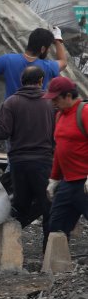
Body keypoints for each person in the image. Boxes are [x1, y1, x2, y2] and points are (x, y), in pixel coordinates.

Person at [0, 66, 55, 244]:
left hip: (19, 163)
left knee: (19, 208)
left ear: (22, 82)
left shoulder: (11, 102)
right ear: (41, 81)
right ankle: (47, 254)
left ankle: (7, 249)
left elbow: (1, 132)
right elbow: (57, 135)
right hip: (43, 163)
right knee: (47, 208)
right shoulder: (50, 103)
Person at [0, 27, 67, 98]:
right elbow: (63, 61)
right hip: (35, 117)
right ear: (43, 49)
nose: (48, 51)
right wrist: (58, 40)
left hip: (11, 114)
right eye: (48, 48)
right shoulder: (48, 67)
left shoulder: (9, 60)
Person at [42, 76, 88, 239]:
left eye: (56, 99)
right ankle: (56, 264)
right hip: (68, 183)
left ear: (68, 96)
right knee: (56, 227)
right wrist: (54, 179)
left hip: (85, 182)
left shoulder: (85, 112)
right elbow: (60, 150)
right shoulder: (59, 116)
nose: (53, 103)